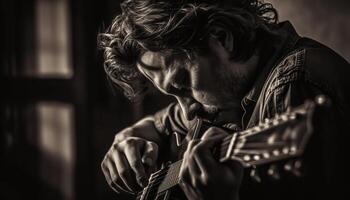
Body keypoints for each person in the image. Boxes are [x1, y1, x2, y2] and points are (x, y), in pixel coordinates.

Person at [98, 0, 350, 199]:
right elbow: (170, 120)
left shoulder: (295, 86)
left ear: (220, 37)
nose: (186, 112)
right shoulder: (229, 92)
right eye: (173, 95)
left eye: (183, 84)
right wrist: (139, 132)